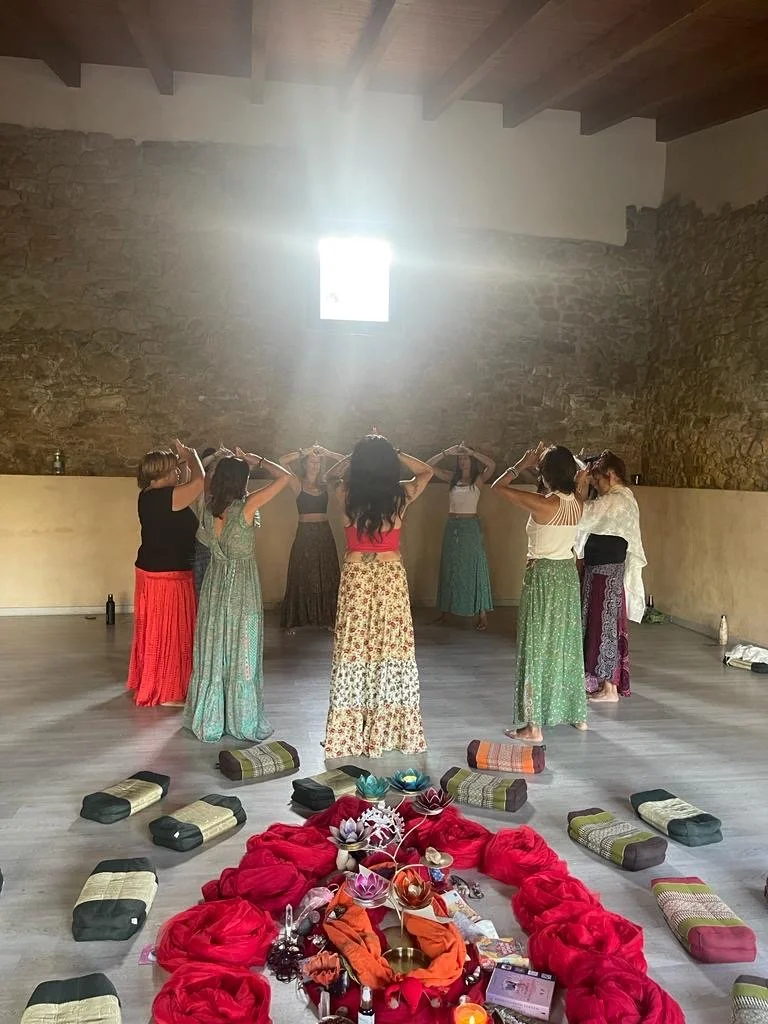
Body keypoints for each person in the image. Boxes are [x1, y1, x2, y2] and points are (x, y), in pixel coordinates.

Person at [322, 434, 432, 758]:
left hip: (356, 576)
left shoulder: (346, 493)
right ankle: (389, 729)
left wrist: (352, 454)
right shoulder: (400, 494)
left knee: (354, 650)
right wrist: (396, 452)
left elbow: (331, 475)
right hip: (390, 578)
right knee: (391, 649)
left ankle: (351, 731)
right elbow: (426, 472)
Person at [184, 448, 292, 742]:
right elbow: (286, 477)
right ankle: (240, 717)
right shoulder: (247, 506)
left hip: (215, 584)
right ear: (242, 480)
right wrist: (257, 460)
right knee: (243, 648)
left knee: (215, 646)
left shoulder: (207, 506)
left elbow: (201, 477)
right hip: (242, 587)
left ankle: (211, 716)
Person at [492, 443, 588, 741]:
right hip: (566, 576)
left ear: (545, 474)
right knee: (565, 644)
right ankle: (576, 714)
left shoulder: (543, 504)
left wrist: (522, 463)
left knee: (535, 646)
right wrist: (560, 459)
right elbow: (584, 471)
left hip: (543, 576)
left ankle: (533, 726)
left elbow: (498, 487)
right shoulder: (578, 500)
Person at [128, 440, 204, 707]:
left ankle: (155, 679)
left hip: (155, 572)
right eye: (175, 469)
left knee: (158, 631)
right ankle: (168, 691)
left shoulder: (149, 494)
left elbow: (187, 483)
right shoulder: (165, 497)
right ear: (165, 471)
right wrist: (192, 456)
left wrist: (181, 465)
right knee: (171, 635)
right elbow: (200, 482)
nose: (179, 472)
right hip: (167, 576)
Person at [574, 450, 647, 702]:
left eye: (599, 479)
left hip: (608, 573)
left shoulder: (619, 500)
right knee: (596, 627)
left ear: (612, 475)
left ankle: (610, 688)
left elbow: (583, 512)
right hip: (599, 571)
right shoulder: (615, 498)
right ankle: (602, 683)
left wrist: (579, 488)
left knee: (605, 628)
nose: (597, 484)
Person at [428, 442, 496, 630]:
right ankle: (445, 611)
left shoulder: (478, 480)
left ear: (471, 460)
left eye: (465, 458)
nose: (462, 461)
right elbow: (428, 467)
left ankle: (482, 615)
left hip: (470, 526)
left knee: (475, 565)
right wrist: (445, 452)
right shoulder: (452, 478)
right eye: (460, 458)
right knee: (450, 565)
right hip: (452, 525)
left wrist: (472, 451)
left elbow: (492, 465)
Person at [279, 443, 344, 634]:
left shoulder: (326, 481)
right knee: (302, 573)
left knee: (326, 574)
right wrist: (305, 451)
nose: (315, 465)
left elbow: (346, 462)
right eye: (311, 461)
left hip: (324, 532)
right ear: (305, 464)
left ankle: (328, 619)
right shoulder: (296, 482)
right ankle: (294, 621)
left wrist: (328, 452)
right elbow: (282, 461)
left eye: (318, 462)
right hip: (305, 533)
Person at [193, 448, 217, 598]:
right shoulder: (200, 485)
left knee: (215, 585)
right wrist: (215, 456)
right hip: (202, 540)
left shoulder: (224, 487)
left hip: (219, 541)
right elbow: (200, 467)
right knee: (201, 584)